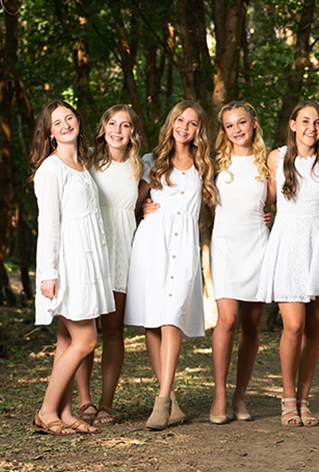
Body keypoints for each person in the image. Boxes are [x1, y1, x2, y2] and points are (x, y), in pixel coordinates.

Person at [124, 101, 217, 430]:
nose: (185, 127)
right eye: (180, 119)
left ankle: (161, 401)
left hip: (184, 246)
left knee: (172, 317)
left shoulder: (204, 166)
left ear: (198, 131)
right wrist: (145, 210)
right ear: (172, 122)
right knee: (153, 321)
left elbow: (217, 210)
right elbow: (131, 207)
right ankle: (171, 400)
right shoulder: (152, 161)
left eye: (192, 123)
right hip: (152, 244)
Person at [29, 100, 114, 435]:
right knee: (86, 340)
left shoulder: (81, 163)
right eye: (56, 122)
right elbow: (48, 224)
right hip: (70, 264)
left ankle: (64, 412)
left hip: (89, 261)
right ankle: (46, 410)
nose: (65, 125)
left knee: (66, 341)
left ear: (78, 120)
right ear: (49, 133)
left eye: (69, 118)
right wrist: (47, 273)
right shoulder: (51, 170)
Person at [257, 101, 319, 427]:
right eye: (305, 121)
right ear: (292, 125)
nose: (311, 128)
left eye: (317, 123)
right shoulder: (276, 158)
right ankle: (287, 397)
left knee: (314, 327)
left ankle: (305, 400)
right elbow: (265, 197)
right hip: (288, 241)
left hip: (318, 242)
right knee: (293, 326)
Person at [74, 105, 144, 426]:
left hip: (121, 251)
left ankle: (106, 404)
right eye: (112, 124)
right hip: (90, 248)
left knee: (113, 331)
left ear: (133, 132)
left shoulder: (140, 166)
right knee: (86, 328)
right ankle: (84, 400)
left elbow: (158, 196)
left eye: (125, 125)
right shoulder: (86, 159)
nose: (118, 130)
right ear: (103, 128)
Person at [208, 101, 271, 424]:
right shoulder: (215, 162)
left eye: (242, 122)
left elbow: (277, 200)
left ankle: (240, 396)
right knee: (227, 320)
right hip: (226, 245)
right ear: (224, 130)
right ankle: (219, 395)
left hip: (257, 244)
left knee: (252, 324)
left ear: (253, 123)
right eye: (230, 125)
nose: (237, 130)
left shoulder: (268, 161)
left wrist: (272, 216)